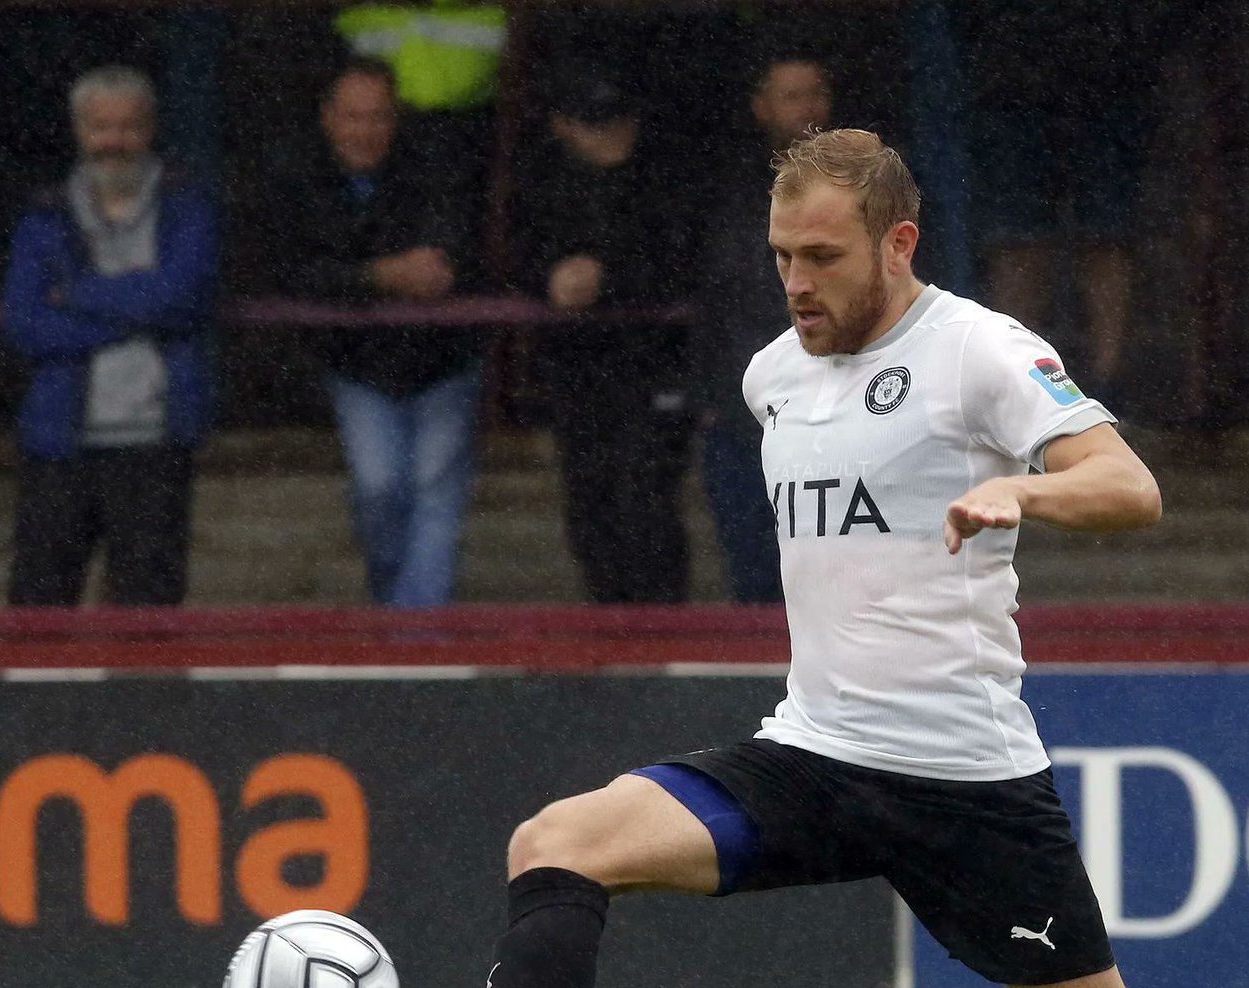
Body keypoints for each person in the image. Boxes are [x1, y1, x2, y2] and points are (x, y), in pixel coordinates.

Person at [338, 129, 1249, 988]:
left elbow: (1126, 485)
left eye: (822, 256)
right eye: (781, 256)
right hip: (815, 756)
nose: (797, 282)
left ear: (896, 243)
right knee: (559, 839)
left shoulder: (977, 352)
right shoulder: (771, 377)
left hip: (966, 786)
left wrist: (1019, 491)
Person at [265, 58, 483, 606]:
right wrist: (379, 275)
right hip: (359, 363)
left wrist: (416, 272)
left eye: (380, 118)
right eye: (353, 118)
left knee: (435, 490)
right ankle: (392, 613)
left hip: (444, 360)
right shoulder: (296, 172)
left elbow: (450, 251)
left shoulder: (434, 165)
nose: (366, 132)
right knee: (379, 489)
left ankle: (417, 636)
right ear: (328, 118)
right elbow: (286, 267)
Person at [0, 66, 218, 607]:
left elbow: (183, 297)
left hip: (155, 440)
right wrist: (138, 310)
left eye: (128, 127)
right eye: (101, 128)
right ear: (79, 131)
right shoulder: (43, 217)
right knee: (37, 614)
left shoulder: (188, 206)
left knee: (149, 620)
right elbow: (26, 325)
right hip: (59, 439)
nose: (114, 142)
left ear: (150, 130)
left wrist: (75, 293)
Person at [516, 70, 693, 604]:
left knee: (646, 495)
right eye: (594, 123)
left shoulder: (662, 180)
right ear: (563, 126)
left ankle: (661, 626)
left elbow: (681, 260)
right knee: (590, 498)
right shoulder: (542, 186)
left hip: (653, 364)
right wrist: (549, 279)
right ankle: (612, 622)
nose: (611, 134)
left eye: (618, 121)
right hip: (580, 368)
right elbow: (510, 258)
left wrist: (607, 281)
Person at [956, 0, 1188, 408]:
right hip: (1011, 76)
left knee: (1108, 239)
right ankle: (1017, 389)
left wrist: (1137, 42)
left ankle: (1109, 393)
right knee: (1019, 243)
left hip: (1112, 74)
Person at [689, 54, 833, 605]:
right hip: (740, 414)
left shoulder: (869, 193)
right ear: (761, 107)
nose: (808, 108)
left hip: (836, 410)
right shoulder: (724, 192)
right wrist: (709, 395)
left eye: (815, 92)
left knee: (832, 581)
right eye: (792, 96)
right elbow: (709, 299)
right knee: (753, 578)